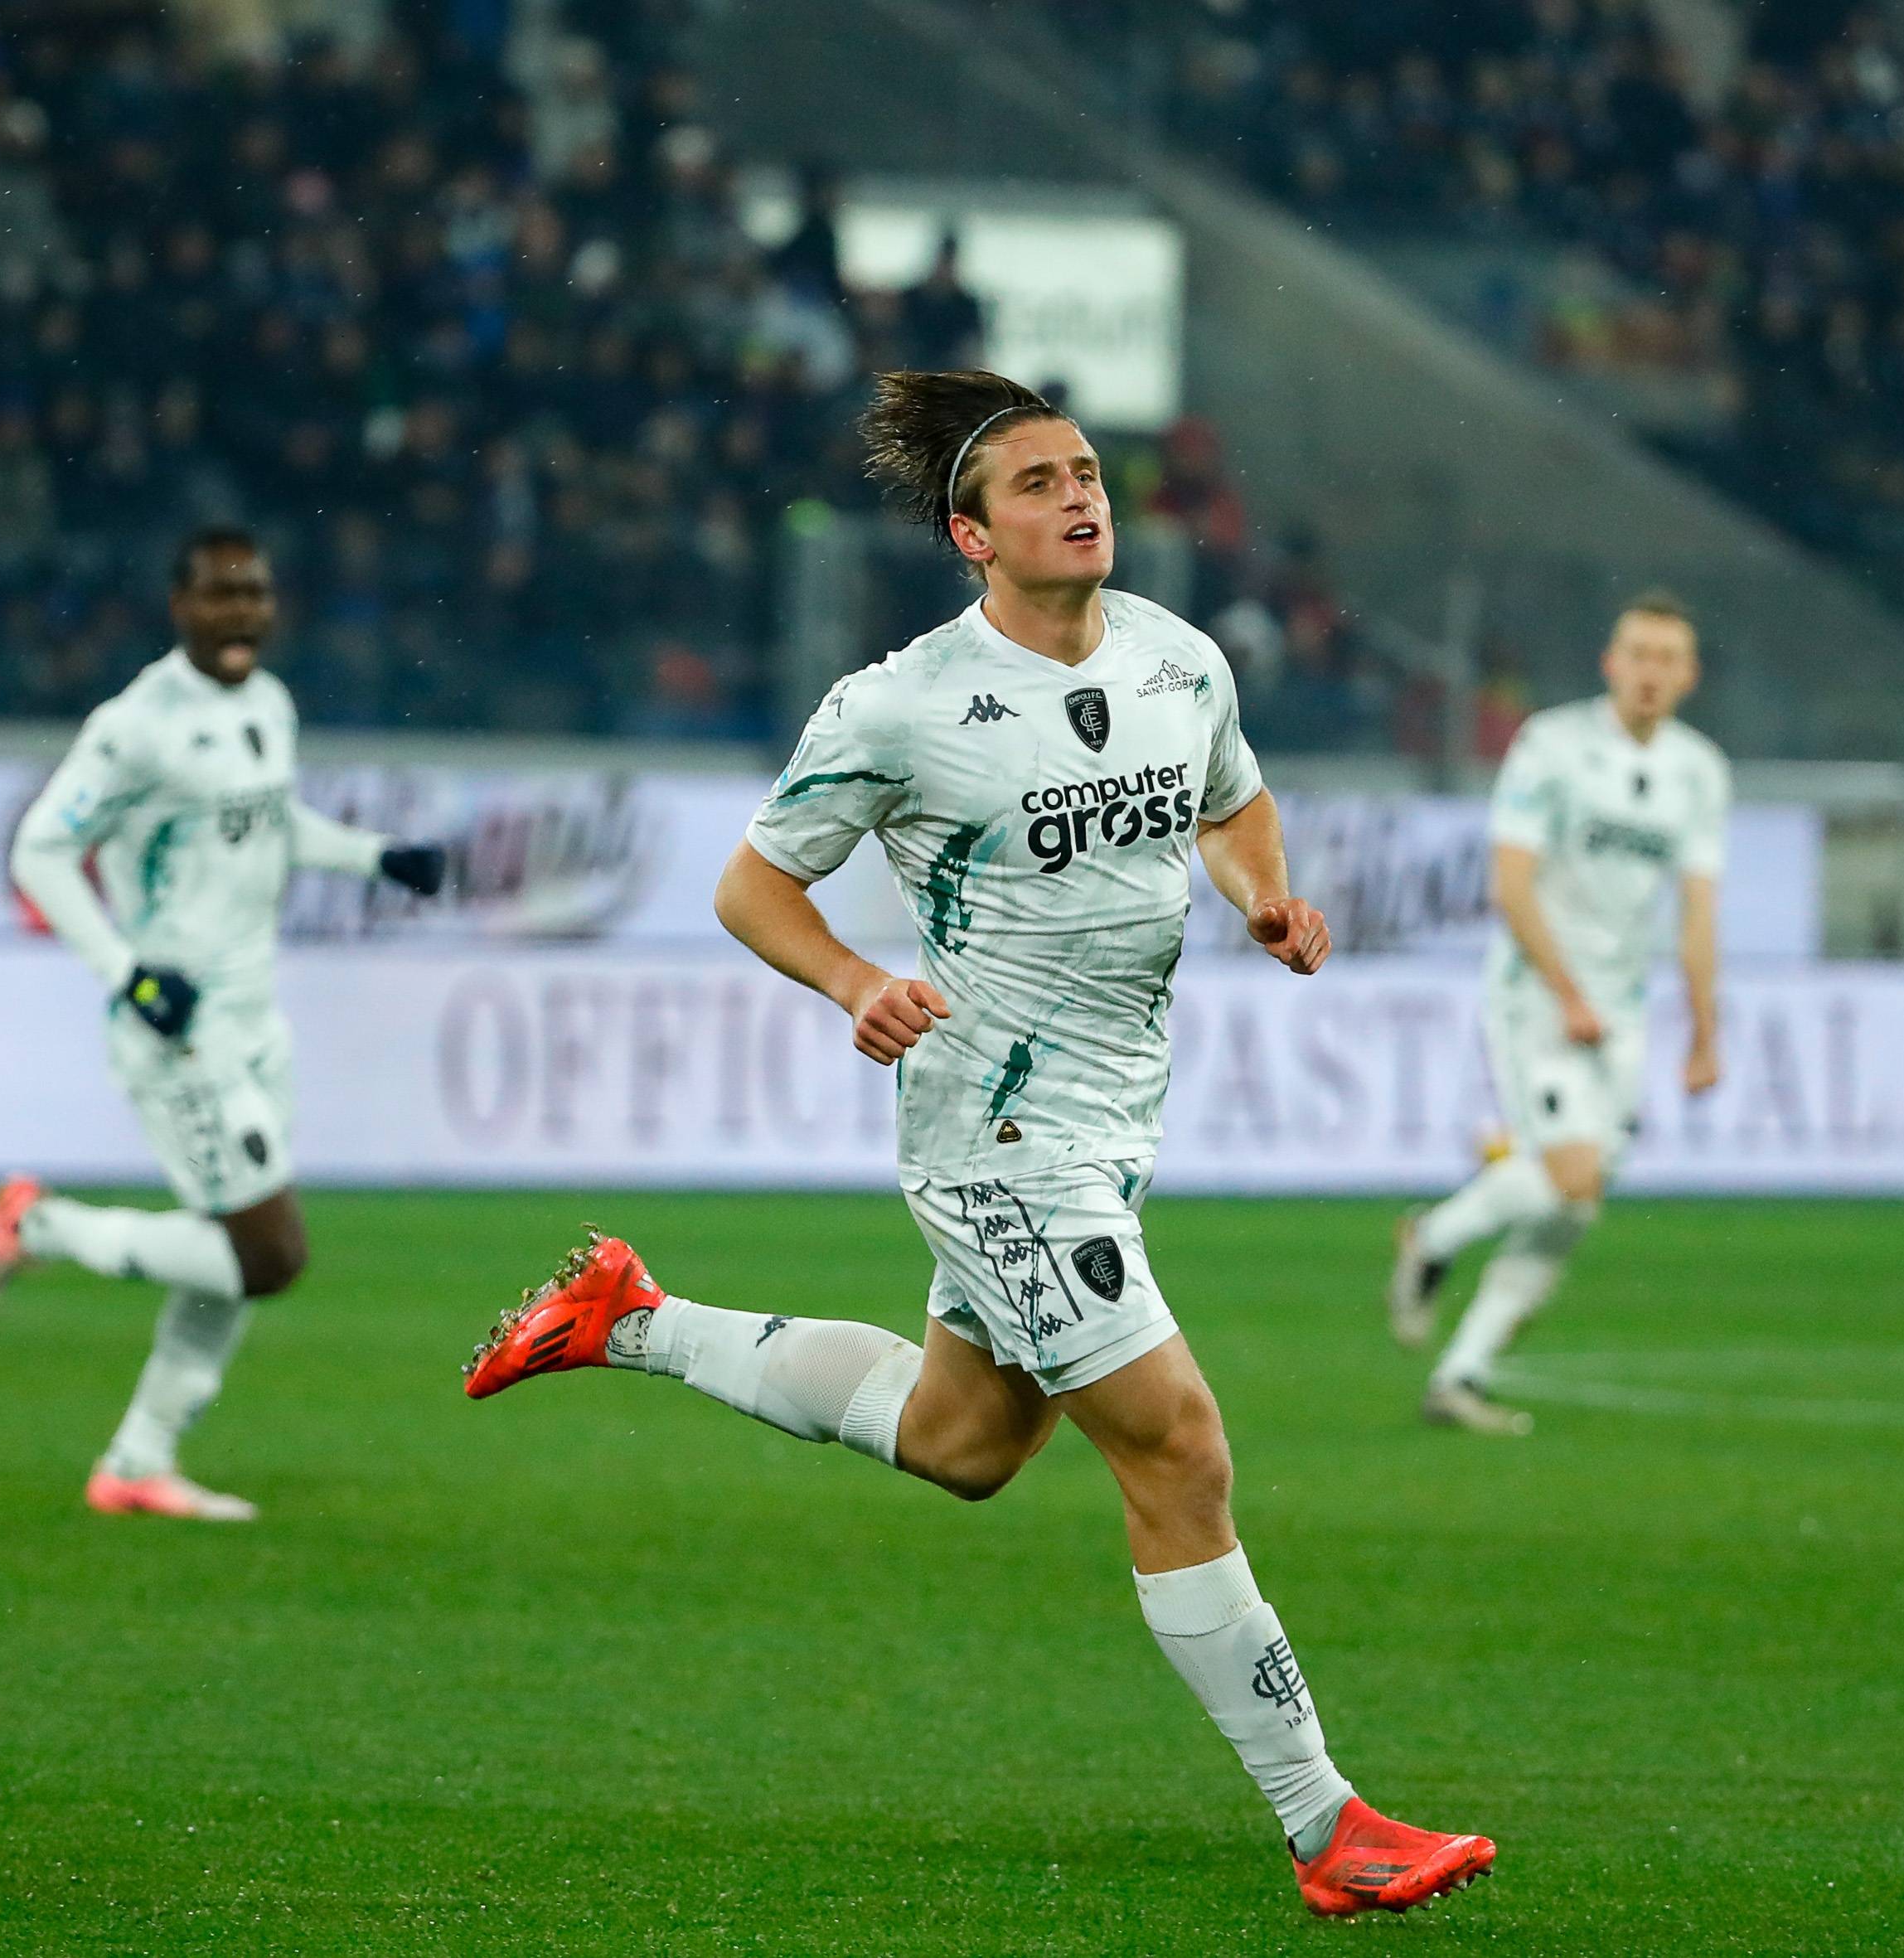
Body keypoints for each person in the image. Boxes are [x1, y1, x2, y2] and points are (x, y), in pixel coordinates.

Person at [460, 371, 1495, 1917]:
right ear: (970, 535)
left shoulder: (1177, 658)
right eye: (1037, 484)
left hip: (1109, 1119)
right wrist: (853, 981)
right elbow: (752, 885)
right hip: (996, 1134)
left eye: (1087, 474)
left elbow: (1232, 803)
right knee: (1178, 1446)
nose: (1079, 498)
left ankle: (632, 1318)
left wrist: (1259, 894)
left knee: (964, 1444)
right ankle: (1325, 1822)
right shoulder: (900, 705)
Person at [0, 527, 448, 1521]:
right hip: (180, 1028)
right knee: (271, 1256)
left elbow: (270, 821)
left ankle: (138, 1460)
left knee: (232, 1259)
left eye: (254, 593)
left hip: (258, 1017)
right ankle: (39, 1224)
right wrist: (128, 973)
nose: (241, 611)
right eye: (220, 594)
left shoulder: (268, 704)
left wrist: (375, 856)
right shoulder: (136, 726)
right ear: (179, 606)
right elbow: (40, 851)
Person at [1389, 594, 1728, 1433]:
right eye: (1637, 654)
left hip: (1622, 1010)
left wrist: (1704, 1032)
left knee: (1576, 1205)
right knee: (1572, 1173)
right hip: (1536, 993)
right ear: (1610, 664)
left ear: (1688, 676)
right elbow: (1510, 884)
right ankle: (1433, 1237)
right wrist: (1568, 993)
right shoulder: (1552, 747)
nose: (1649, 672)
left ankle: (1460, 1375)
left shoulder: (1699, 771)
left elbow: (1698, 913)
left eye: (1666, 659)